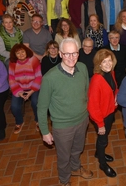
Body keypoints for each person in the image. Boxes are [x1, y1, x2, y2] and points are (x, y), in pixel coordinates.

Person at [37, 38, 93, 186]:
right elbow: (42, 107)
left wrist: (87, 113)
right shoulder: (50, 78)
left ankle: (75, 168)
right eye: (67, 54)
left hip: (82, 120)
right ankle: (64, 180)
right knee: (63, 157)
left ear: (78, 53)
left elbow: (86, 92)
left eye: (74, 53)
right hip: (62, 126)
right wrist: (44, 131)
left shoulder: (83, 68)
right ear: (61, 54)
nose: (71, 57)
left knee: (78, 149)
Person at [88, 49, 118, 177]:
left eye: (109, 60)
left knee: (103, 138)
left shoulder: (111, 73)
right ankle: (102, 164)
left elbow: (114, 88)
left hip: (110, 112)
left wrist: (115, 97)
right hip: (101, 116)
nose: (107, 64)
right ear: (99, 64)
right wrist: (100, 124)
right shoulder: (96, 80)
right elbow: (92, 106)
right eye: (104, 61)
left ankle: (98, 153)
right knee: (103, 139)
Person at [8, 43, 41, 134]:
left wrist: (31, 91)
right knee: (14, 106)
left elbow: (38, 77)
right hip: (19, 88)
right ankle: (19, 122)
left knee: (36, 103)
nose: (21, 54)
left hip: (33, 87)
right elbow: (11, 79)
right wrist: (19, 92)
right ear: (14, 55)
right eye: (18, 53)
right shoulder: (13, 63)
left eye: (23, 52)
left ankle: (38, 120)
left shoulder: (34, 60)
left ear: (26, 51)